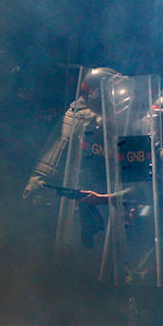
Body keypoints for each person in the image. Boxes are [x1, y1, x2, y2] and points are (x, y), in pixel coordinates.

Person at [23, 67, 119, 248]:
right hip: (69, 196)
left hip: (91, 193)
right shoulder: (82, 118)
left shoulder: (98, 116)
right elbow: (53, 160)